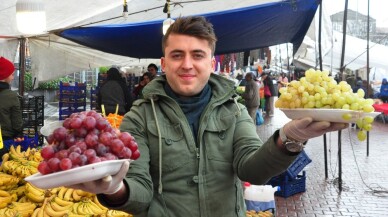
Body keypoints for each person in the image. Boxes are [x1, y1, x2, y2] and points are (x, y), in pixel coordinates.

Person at [68, 16, 348, 217]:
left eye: (197, 55)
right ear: (164, 63)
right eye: (177, 55)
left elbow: (252, 170)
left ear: (211, 63)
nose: (187, 64)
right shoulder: (139, 118)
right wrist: (115, 188)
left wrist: (289, 138)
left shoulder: (234, 110)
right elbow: (140, 193)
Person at [0, 57, 23, 155]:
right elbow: (17, 121)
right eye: (12, 75)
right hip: (5, 140)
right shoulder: (11, 95)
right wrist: (19, 134)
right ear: (3, 76)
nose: (13, 78)